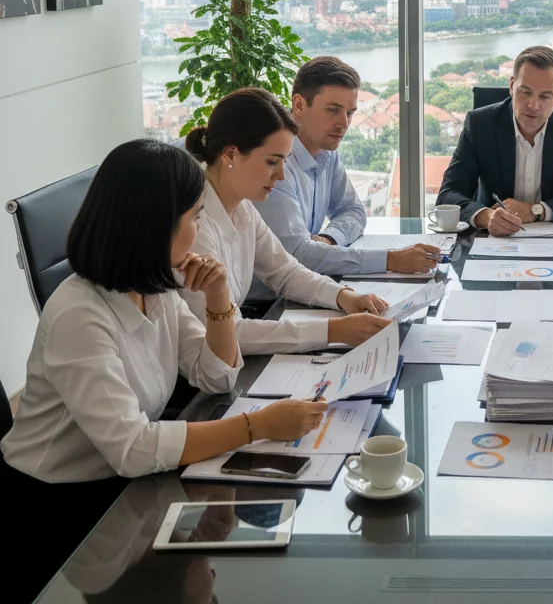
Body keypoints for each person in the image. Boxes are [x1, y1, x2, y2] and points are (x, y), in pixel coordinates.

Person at [0, 140, 328, 603]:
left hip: (126, 483)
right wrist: (255, 427)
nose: (200, 228)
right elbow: (133, 448)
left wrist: (218, 299)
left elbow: (214, 375)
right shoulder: (81, 315)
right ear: (153, 226)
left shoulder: (156, 283)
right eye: (195, 217)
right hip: (63, 506)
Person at [182, 88, 392, 354]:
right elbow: (226, 333)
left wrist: (344, 296)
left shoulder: (242, 207)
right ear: (230, 155)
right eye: (272, 162)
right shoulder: (193, 225)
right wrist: (332, 331)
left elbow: (286, 272)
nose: (281, 175)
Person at [255, 56, 441, 277]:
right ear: (299, 105)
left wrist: (329, 239)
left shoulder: (326, 153)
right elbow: (298, 255)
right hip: (266, 304)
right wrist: (391, 259)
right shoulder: (275, 164)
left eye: (350, 113)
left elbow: (352, 210)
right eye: (333, 110)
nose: (344, 123)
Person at [436, 45, 553, 235]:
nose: (533, 105)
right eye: (525, 92)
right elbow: (448, 195)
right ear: (512, 86)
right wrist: (487, 216)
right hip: (494, 242)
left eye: (545, 96)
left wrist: (537, 211)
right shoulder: (481, 124)